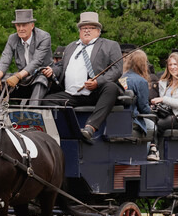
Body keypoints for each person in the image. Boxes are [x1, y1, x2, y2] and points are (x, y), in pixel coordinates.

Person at [41, 11, 124, 143]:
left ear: (98, 31)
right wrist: (52, 71)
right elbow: (61, 67)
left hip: (96, 93)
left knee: (111, 88)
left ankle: (91, 127)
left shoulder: (110, 45)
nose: (86, 31)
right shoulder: (70, 47)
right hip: (72, 94)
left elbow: (117, 69)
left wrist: (98, 82)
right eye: (83, 28)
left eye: (90, 28)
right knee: (46, 100)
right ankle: (60, 131)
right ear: (79, 31)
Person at [0, 9, 52, 99]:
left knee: (40, 81)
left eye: (24, 25)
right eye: (18, 25)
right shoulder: (12, 38)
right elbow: (5, 60)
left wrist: (18, 76)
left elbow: (36, 61)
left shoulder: (44, 37)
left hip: (41, 74)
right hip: (23, 78)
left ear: (32, 25)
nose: (21, 29)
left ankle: (33, 110)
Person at [150, 52, 178, 159]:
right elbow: (163, 102)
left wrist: (163, 99)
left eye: (175, 64)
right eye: (170, 65)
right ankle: (152, 149)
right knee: (149, 117)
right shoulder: (163, 82)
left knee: (160, 124)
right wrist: (157, 105)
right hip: (164, 112)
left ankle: (154, 149)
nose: (172, 67)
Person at [120, 49, 156, 158]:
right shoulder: (141, 81)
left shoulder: (121, 78)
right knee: (152, 126)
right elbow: (144, 108)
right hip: (132, 119)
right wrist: (152, 110)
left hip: (119, 117)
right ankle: (146, 154)